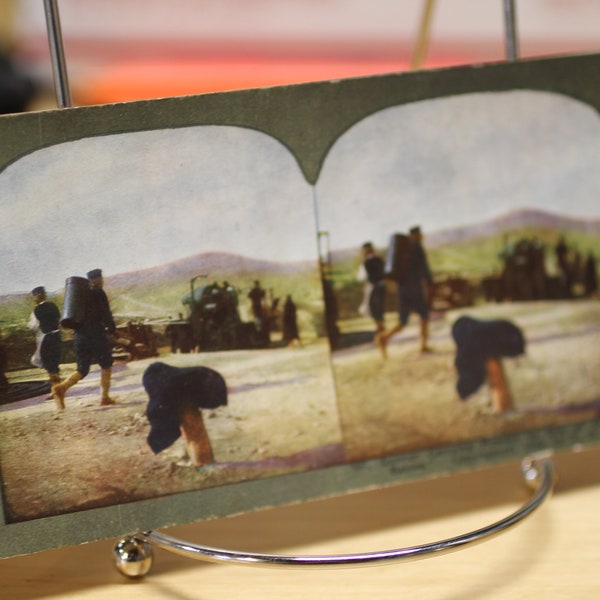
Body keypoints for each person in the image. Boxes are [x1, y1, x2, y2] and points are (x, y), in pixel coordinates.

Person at [52, 269, 117, 409]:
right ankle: (104, 397)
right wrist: (112, 329)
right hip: (96, 334)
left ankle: (61, 388)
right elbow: (106, 313)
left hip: (79, 336)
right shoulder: (98, 292)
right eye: (101, 278)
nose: (102, 281)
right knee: (106, 364)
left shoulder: (80, 295)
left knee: (82, 368)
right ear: (98, 279)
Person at [143, 362, 228, 468]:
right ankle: (203, 462)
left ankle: (204, 465)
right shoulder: (177, 387)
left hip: (185, 393)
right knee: (191, 425)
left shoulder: (170, 388)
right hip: (187, 390)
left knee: (193, 429)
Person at [380, 226, 433, 355]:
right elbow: (424, 269)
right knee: (424, 316)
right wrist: (430, 283)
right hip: (415, 289)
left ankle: (384, 337)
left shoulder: (404, 249)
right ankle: (423, 345)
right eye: (420, 235)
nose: (421, 237)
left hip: (402, 289)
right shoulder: (417, 248)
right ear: (417, 235)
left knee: (403, 321)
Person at [27, 286, 62, 386]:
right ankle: (58, 384)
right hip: (57, 336)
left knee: (48, 362)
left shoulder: (36, 310)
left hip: (46, 338)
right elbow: (59, 320)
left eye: (34, 296)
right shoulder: (53, 306)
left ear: (37, 296)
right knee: (55, 361)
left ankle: (55, 387)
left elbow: (33, 326)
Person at [360, 242, 387, 356]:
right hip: (379, 290)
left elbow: (367, 279)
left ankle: (381, 343)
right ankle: (381, 345)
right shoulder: (379, 260)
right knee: (379, 319)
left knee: (378, 319)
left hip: (375, 291)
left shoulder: (367, 263)